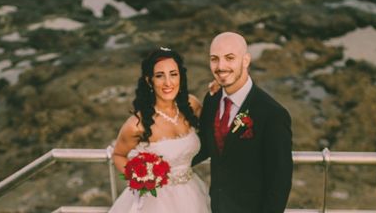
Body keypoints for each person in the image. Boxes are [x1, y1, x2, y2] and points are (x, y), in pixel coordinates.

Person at [193, 31, 293, 213]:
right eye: (214, 59)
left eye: (229, 58)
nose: (220, 66)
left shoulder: (273, 114)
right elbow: (207, 145)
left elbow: (280, 182)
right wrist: (168, 162)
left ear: (246, 60)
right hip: (215, 207)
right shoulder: (212, 100)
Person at [109, 47, 211, 213]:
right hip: (155, 202)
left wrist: (216, 95)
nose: (168, 83)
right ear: (150, 81)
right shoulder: (137, 124)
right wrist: (139, 178)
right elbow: (118, 155)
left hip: (192, 195)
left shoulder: (191, 105)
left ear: (180, 77)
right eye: (159, 76)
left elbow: (214, 127)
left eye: (173, 74)